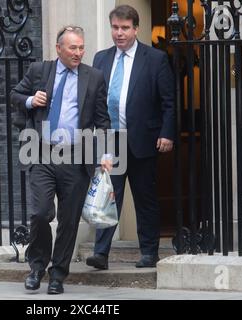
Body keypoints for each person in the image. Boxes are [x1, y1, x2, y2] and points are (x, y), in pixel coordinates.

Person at [10, 26, 111, 294]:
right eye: (72, 48)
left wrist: (106, 154)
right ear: (59, 49)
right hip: (42, 151)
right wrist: (32, 100)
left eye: (81, 47)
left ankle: (58, 275)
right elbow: (15, 96)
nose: (78, 53)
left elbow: (102, 120)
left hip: (77, 156)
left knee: (69, 220)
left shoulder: (94, 77)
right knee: (41, 213)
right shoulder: (39, 71)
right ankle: (36, 266)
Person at [86, 5, 175, 270]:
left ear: (136, 29)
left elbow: (169, 101)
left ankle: (149, 252)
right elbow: (94, 100)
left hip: (142, 140)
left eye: (125, 28)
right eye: (115, 27)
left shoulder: (155, 59)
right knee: (107, 196)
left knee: (145, 199)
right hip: (110, 141)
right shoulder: (100, 58)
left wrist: (167, 133)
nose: (119, 33)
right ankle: (101, 253)